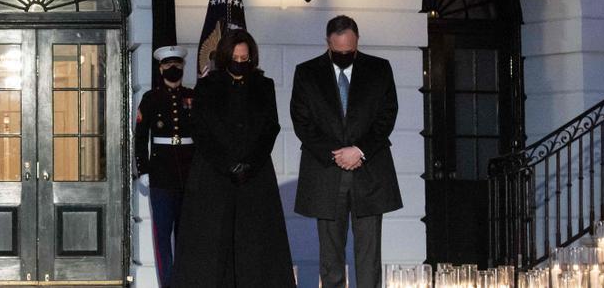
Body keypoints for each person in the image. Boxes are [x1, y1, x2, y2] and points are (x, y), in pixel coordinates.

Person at [173, 29, 294, 287]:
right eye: (236, 57)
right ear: (226, 57)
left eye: (245, 57)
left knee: (255, 243)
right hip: (214, 175)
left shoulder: (263, 85)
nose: (240, 62)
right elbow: (200, 130)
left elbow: (271, 127)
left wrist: (249, 162)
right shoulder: (207, 87)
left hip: (255, 175)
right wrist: (227, 163)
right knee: (214, 244)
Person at [290, 15, 403, 288]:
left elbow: (387, 116)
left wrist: (359, 150)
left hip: (370, 172)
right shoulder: (307, 72)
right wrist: (337, 154)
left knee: (368, 256)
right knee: (330, 257)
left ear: (357, 41)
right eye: (338, 51)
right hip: (326, 172)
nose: (344, 55)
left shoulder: (379, 69)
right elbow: (302, 122)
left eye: (349, 51)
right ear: (328, 43)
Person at [134, 46, 195, 288]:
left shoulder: (193, 96)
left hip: (189, 174)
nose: (173, 69)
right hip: (161, 175)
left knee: (186, 235)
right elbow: (140, 137)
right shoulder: (151, 98)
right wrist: (144, 169)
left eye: (177, 65)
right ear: (160, 69)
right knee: (162, 237)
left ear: (183, 67)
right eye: (168, 66)